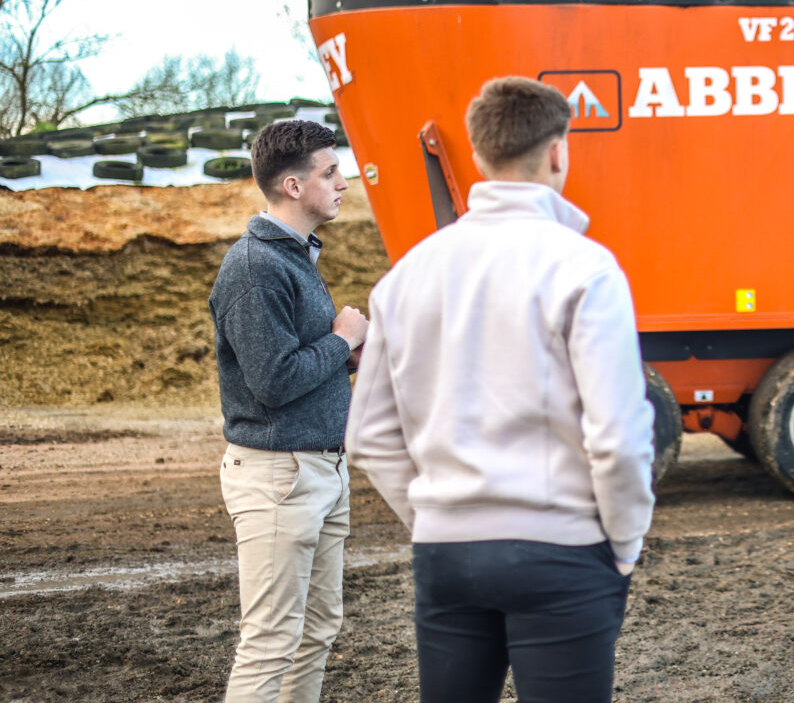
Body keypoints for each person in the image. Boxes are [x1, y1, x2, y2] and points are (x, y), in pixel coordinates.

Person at [347, 75, 655, 703]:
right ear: (558, 151)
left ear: (479, 155)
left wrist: (438, 514)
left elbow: (369, 436)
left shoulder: (406, 278)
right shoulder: (585, 268)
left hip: (445, 554)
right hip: (563, 550)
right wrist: (623, 544)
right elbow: (619, 435)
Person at [210, 118, 369, 703]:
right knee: (272, 639)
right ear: (294, 187)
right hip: (280, 477)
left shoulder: (296, 258)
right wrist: (343, 340)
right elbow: (274, 382)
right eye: (330, 173)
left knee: (317, 630)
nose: (343, 183)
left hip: (321, 470)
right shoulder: (256, 268)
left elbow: (296, 365)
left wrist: (344, 358)